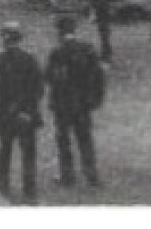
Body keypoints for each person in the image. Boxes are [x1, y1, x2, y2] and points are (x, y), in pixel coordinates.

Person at [45, 13, 104, 188]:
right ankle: (92, 175)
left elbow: (49, 77)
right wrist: (95, 98)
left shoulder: (57, 52)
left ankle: (67, 176)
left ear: (60, 32)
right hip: (83, 103)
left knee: (64, 141)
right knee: (85, 139)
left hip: (63, 104)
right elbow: (98, 76)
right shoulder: (87, 49)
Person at [0, 22, 43, 202]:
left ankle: (2, 181)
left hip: (7, 114)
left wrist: (13, 109)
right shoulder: (31, 60)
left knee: (5, 149)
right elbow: (38, 89)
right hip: (27, 115)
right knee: (28, 152)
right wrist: (27, 110)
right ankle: (29, 188)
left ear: (5, 40)